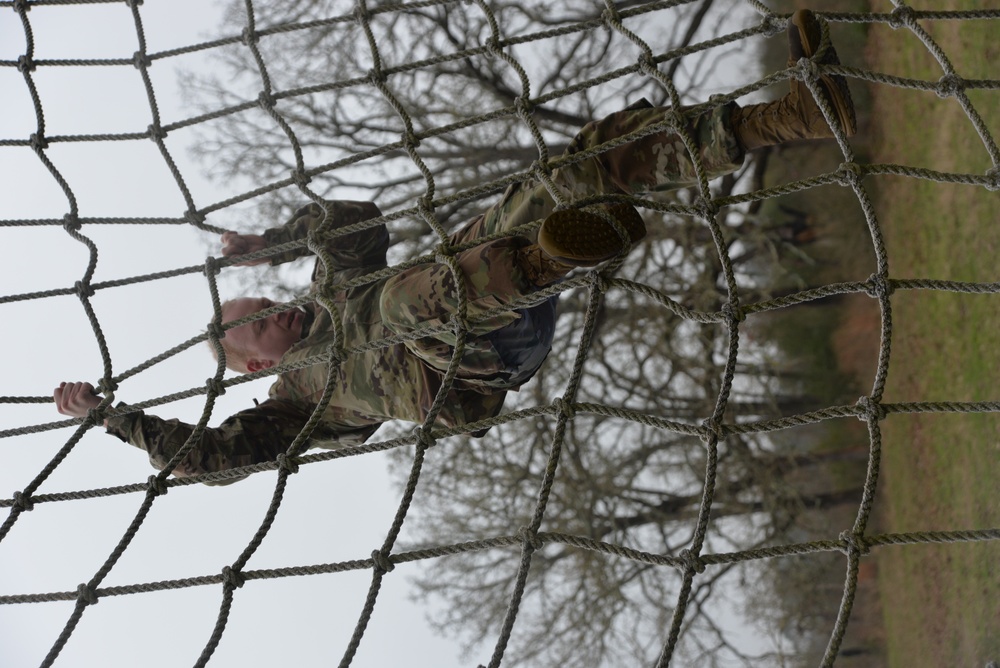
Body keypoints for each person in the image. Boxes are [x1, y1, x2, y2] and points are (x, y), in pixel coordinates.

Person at [55, 10, 856, 482]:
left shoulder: (331, 290)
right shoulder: (292, 407)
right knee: (409, 303)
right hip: (458, 370)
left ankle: (786, 118)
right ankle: (549, 257)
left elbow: (354, 222)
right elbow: (207, 460)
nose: (276, 310)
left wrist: (271, 243)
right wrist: (110, 418)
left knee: (567, 168)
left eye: (265, 302)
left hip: (487, 288)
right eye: (259, 322)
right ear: (257, 365)